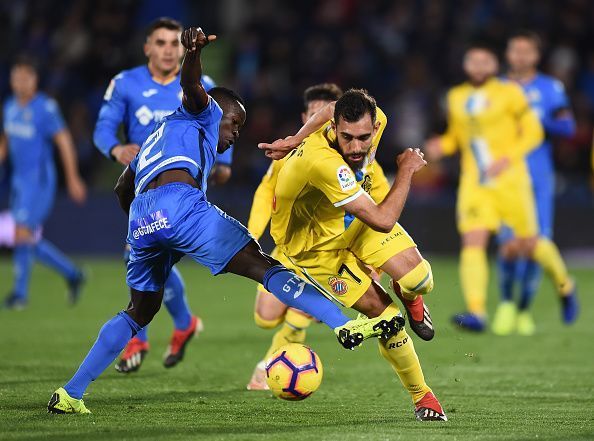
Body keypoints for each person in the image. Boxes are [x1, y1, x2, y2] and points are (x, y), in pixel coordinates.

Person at [47, 27, 401, 415]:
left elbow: (121, 190)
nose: (234, 136)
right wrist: (193, 54)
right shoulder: (202, 111)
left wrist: (145, 231)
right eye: (235, 125)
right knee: (264, 265)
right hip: (180, 203)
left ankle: (70, 394)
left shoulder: (152, 140)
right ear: (222, 113)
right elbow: (193, 87)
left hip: (141, 218)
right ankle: (341, 324)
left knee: (139, 311)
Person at [258, 89, 445, 421]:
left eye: (364, 137)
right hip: (315, 248)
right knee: (387, 319)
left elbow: (332, 105)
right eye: (347, 138)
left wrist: (294, 136)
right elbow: (384, 220)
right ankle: (423, 396)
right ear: (334, 129)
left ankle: (409, 294)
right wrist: (405, 169)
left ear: (375, 125)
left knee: (420, 280)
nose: (357, 147)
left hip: (352, 219)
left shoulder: (373, 117)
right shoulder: (323, 162)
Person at [93, 17, 233, 373]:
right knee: (153, 253)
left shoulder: (201, 82)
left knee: (145, 252)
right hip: (142, 184)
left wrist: (223, 162)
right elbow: (103, 128)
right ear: (147, 48)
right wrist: (116, 149)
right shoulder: (125, 83)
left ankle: (138, 334)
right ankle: (182, 322)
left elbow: (223, 126)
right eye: (161, 43)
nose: (169, 50)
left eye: (174, 43)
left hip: (184, 185)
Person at [245, 83, 401, 391]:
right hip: (289, 244)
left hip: (331, 251)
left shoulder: (364, 166)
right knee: (265, 316)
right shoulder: (298, 156)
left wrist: (375, 267)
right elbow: (266, 191)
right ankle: (305, 311)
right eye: (313, 111)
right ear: (307, 116)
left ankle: (270, 365)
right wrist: (252, 235)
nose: (320, 115)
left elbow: (381, 216)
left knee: (304, 307)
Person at [424, 43, 578, 332]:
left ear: (494, 66)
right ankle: (477, 312)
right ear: (465, 65)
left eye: (485, 61)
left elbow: (533, 132)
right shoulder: (456, 97)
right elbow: (456, 137)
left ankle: (564, 285)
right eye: (473, 60)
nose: (479, 65)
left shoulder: (510, 93)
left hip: (511, 181)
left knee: (529, 244)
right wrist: (440, 146)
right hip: (475, 183)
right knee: (473, 241)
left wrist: (506, 159)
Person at [492, 31, 577, 336]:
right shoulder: (496, 88)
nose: (520, 56)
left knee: (535, 244)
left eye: (527, 51)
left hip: (538, 177)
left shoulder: (550, 88)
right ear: (508, 54)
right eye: (515, 50)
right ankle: (505, 304)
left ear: (536, 56)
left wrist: (536, 119)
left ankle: (525, 310)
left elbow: (569, 127)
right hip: (504, 175)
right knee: (508, 245)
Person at [0, 59, 86, 310]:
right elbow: (5, 140)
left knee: (23, 233)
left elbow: (64, 142)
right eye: (16, 78)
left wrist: (72, 178)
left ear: (34, 80)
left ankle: (19, 295)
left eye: (25, 78)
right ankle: (73, 274)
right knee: (23, 237)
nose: (20, 83)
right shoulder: (9, 107)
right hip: (19, 180)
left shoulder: (45, 108)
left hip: (39, 180)